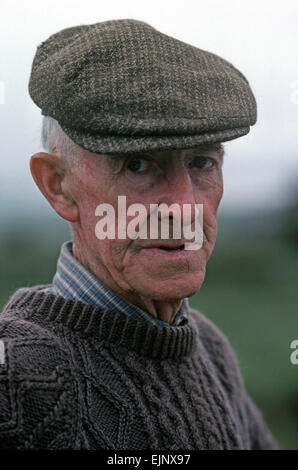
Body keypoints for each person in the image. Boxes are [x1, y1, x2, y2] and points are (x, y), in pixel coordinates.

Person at [0, 19, 279, 450]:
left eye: (203, 163)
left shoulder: (209, 347)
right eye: (138, 166)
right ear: (58, 185)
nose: (185, 208)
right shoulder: (15, 380)